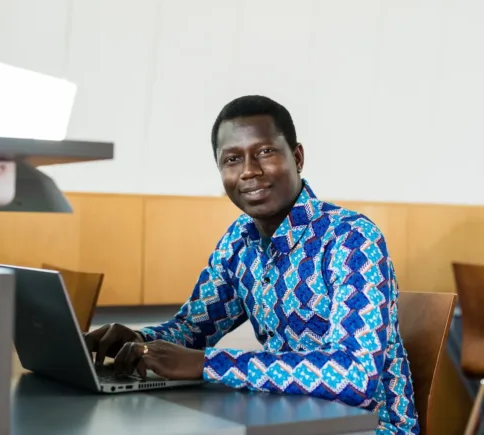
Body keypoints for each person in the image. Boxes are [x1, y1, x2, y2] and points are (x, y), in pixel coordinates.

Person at [84, 95, 419, 434]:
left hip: (369, 428)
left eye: (265, 152)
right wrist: (140, 339)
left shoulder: (351, 238)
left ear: (297, 157)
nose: (248, 171)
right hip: (286, 419)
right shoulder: (238, 242)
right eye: (232, 159)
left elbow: (355, 375)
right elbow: (192, 330)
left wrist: (208, 364)